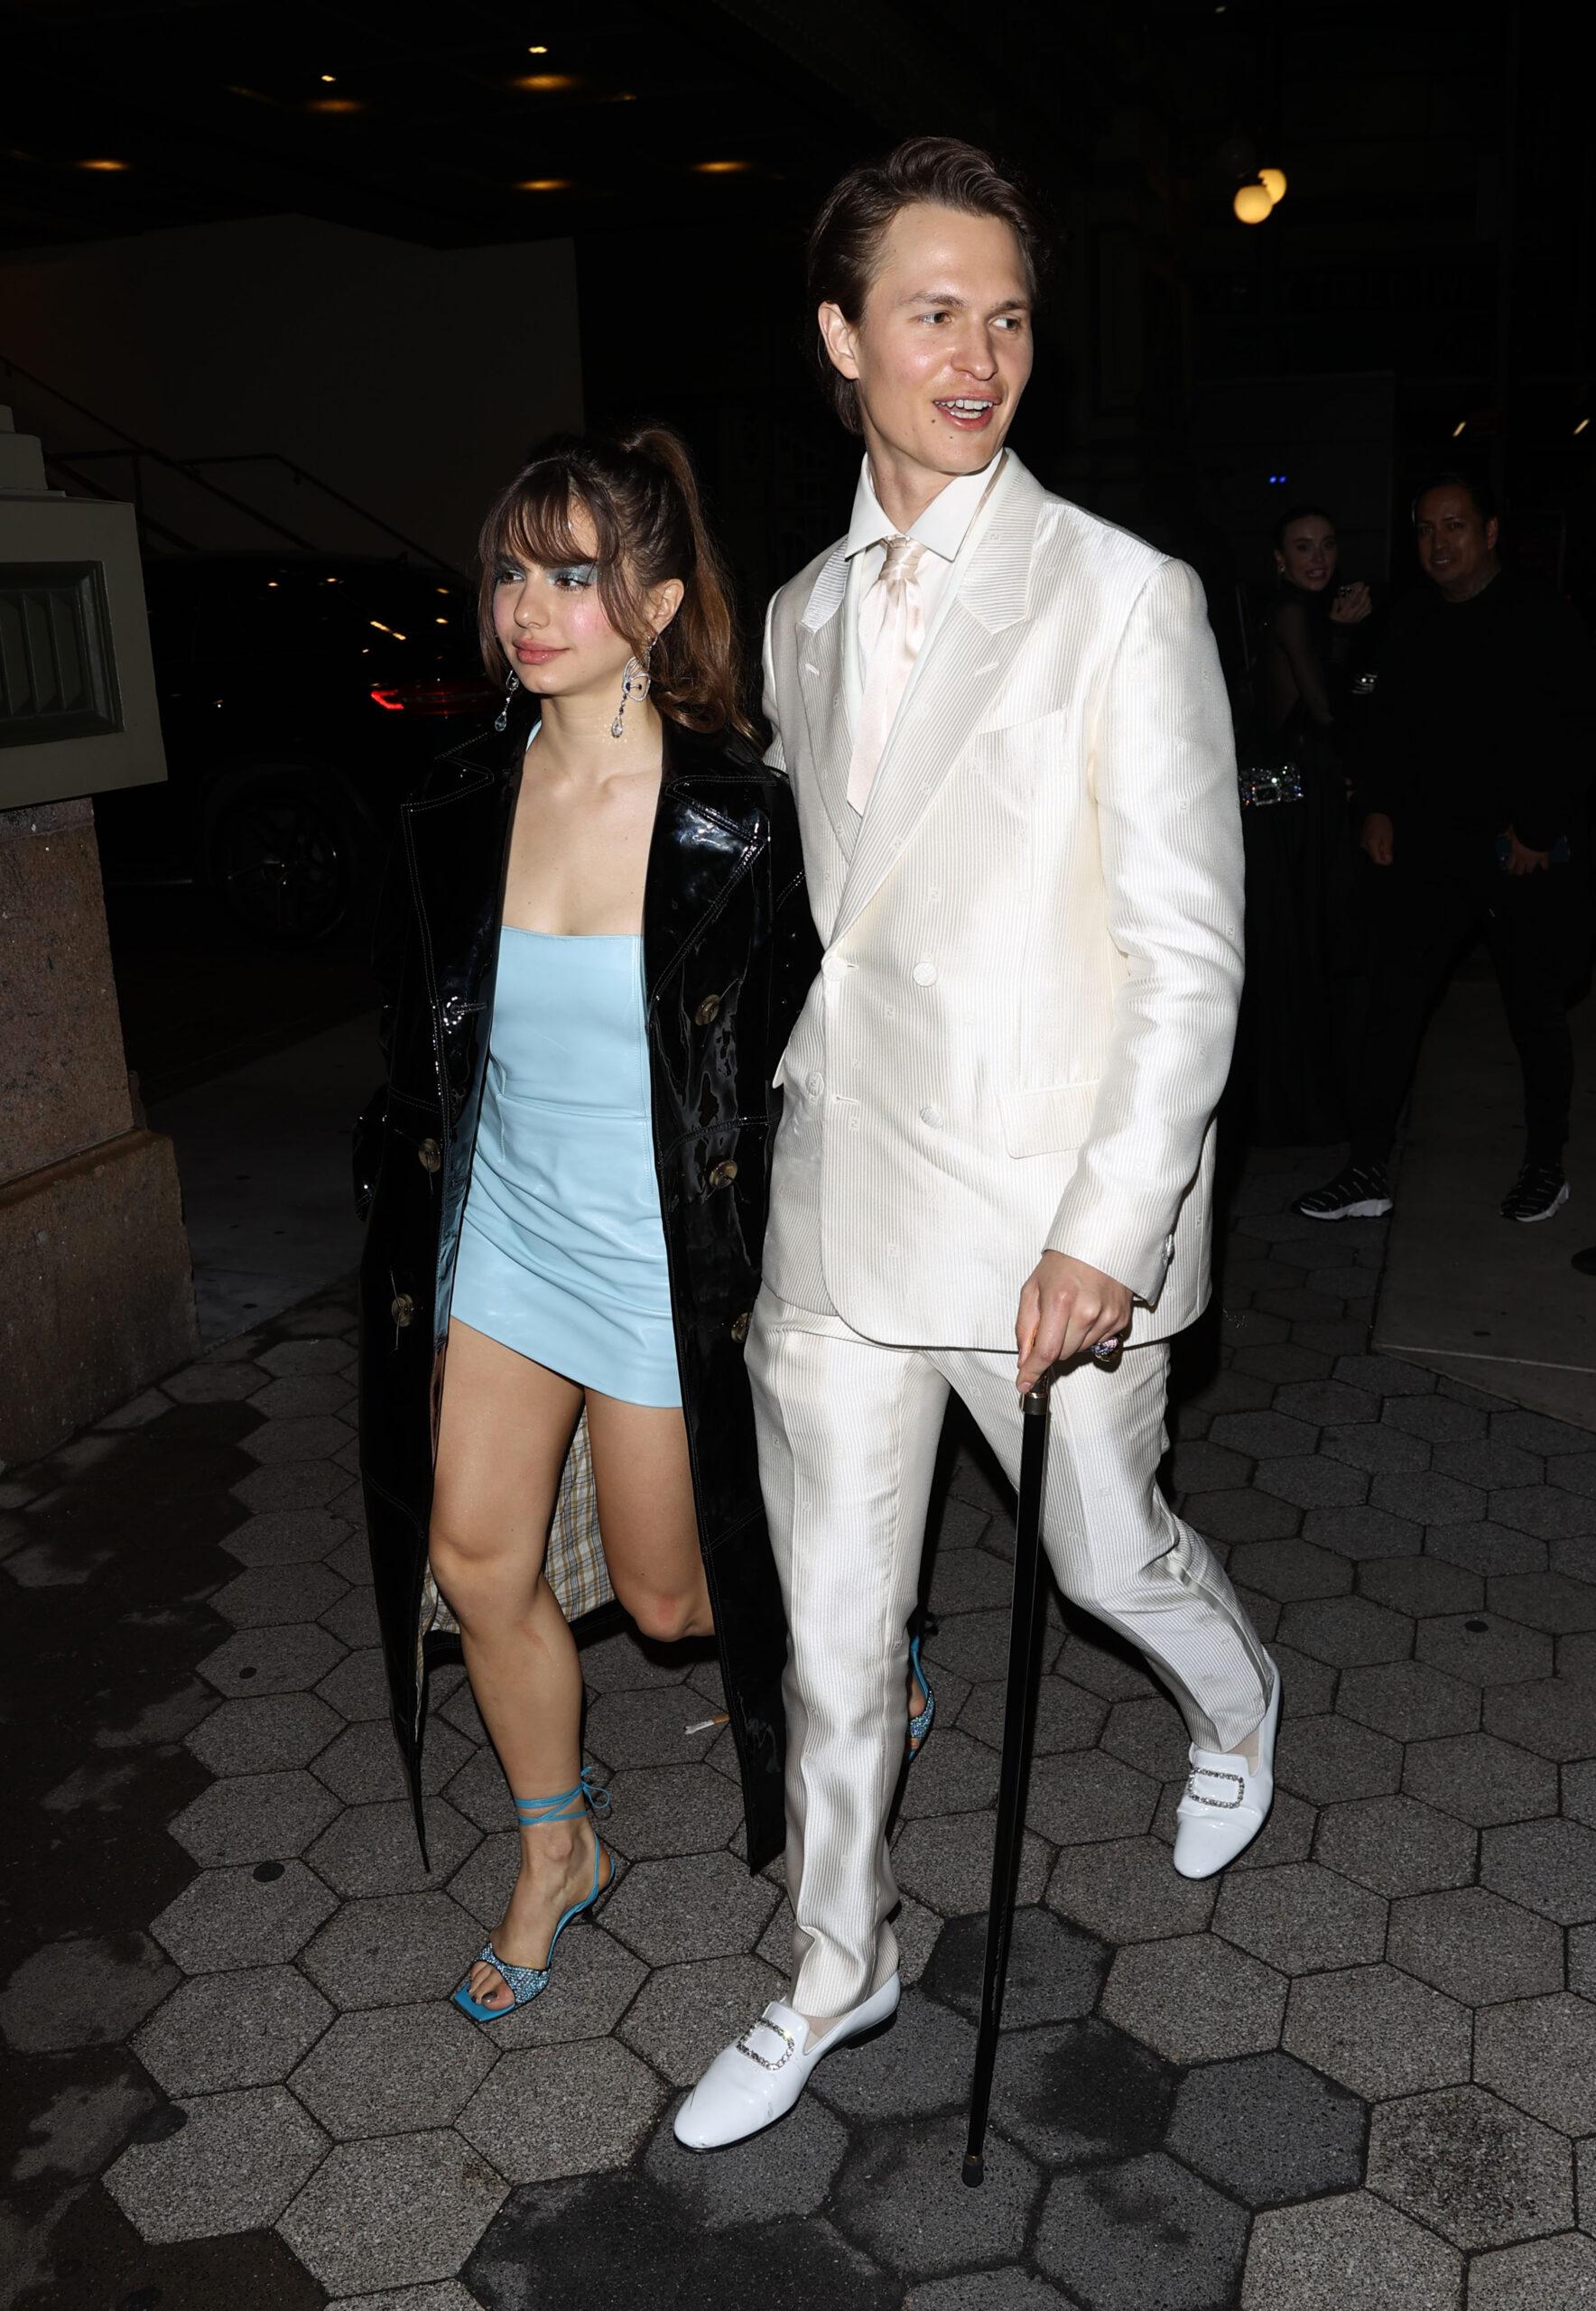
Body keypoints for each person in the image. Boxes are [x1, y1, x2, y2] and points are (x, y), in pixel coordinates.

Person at [674, 137, 1277, 2152]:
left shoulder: (1123, 595)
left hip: (1044, 1221)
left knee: (1103, 1554)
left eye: (1007, 315)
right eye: (931, 311)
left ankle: (1236, 1694)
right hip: (841, 1212)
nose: (977, 353)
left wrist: (1111, 1224)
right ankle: (829, 1967)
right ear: (841, 336)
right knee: (834, 1627)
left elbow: (1186, 950)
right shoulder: (802, 616)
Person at [354, 425, 821, 2019]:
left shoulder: (737, 818)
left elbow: (797, 1071)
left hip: (653, 1265)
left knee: (677, 1604)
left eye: (573, 574)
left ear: (658, 598)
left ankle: (852, 1605)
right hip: (502, 1244)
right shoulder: (456, 798)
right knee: (473, 1562)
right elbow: (424, 1048)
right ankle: (557, 1851)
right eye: (510, 570)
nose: (528, 607)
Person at [1294, 473, 1592, 1227]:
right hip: (1429, 846)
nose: (1439, 544)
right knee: (1393, 1003)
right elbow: (1385, 724)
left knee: (1534, 1009)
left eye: (1455, 527)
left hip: (1511, 849)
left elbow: (1570, 731)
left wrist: (1538, 829)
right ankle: (1366, 1167)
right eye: (1426, 530)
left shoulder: (1539, 615)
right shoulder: (1412, 615)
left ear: (1490, 532)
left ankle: (1546, 1165)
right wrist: (1378, 808)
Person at [1232, 505, 1372, 1143]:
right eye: (1303, 548)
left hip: (1297, 802)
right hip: (1286, 811)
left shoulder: (1305, 613)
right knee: (1297, 949)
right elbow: (1325, 711)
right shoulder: (1293, 614)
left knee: (1307, 949)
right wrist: (1345, 639)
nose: (1318, 558)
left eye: (1327, 545)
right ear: (1279, 561)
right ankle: (1296, 1109)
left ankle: (1305, 1103)